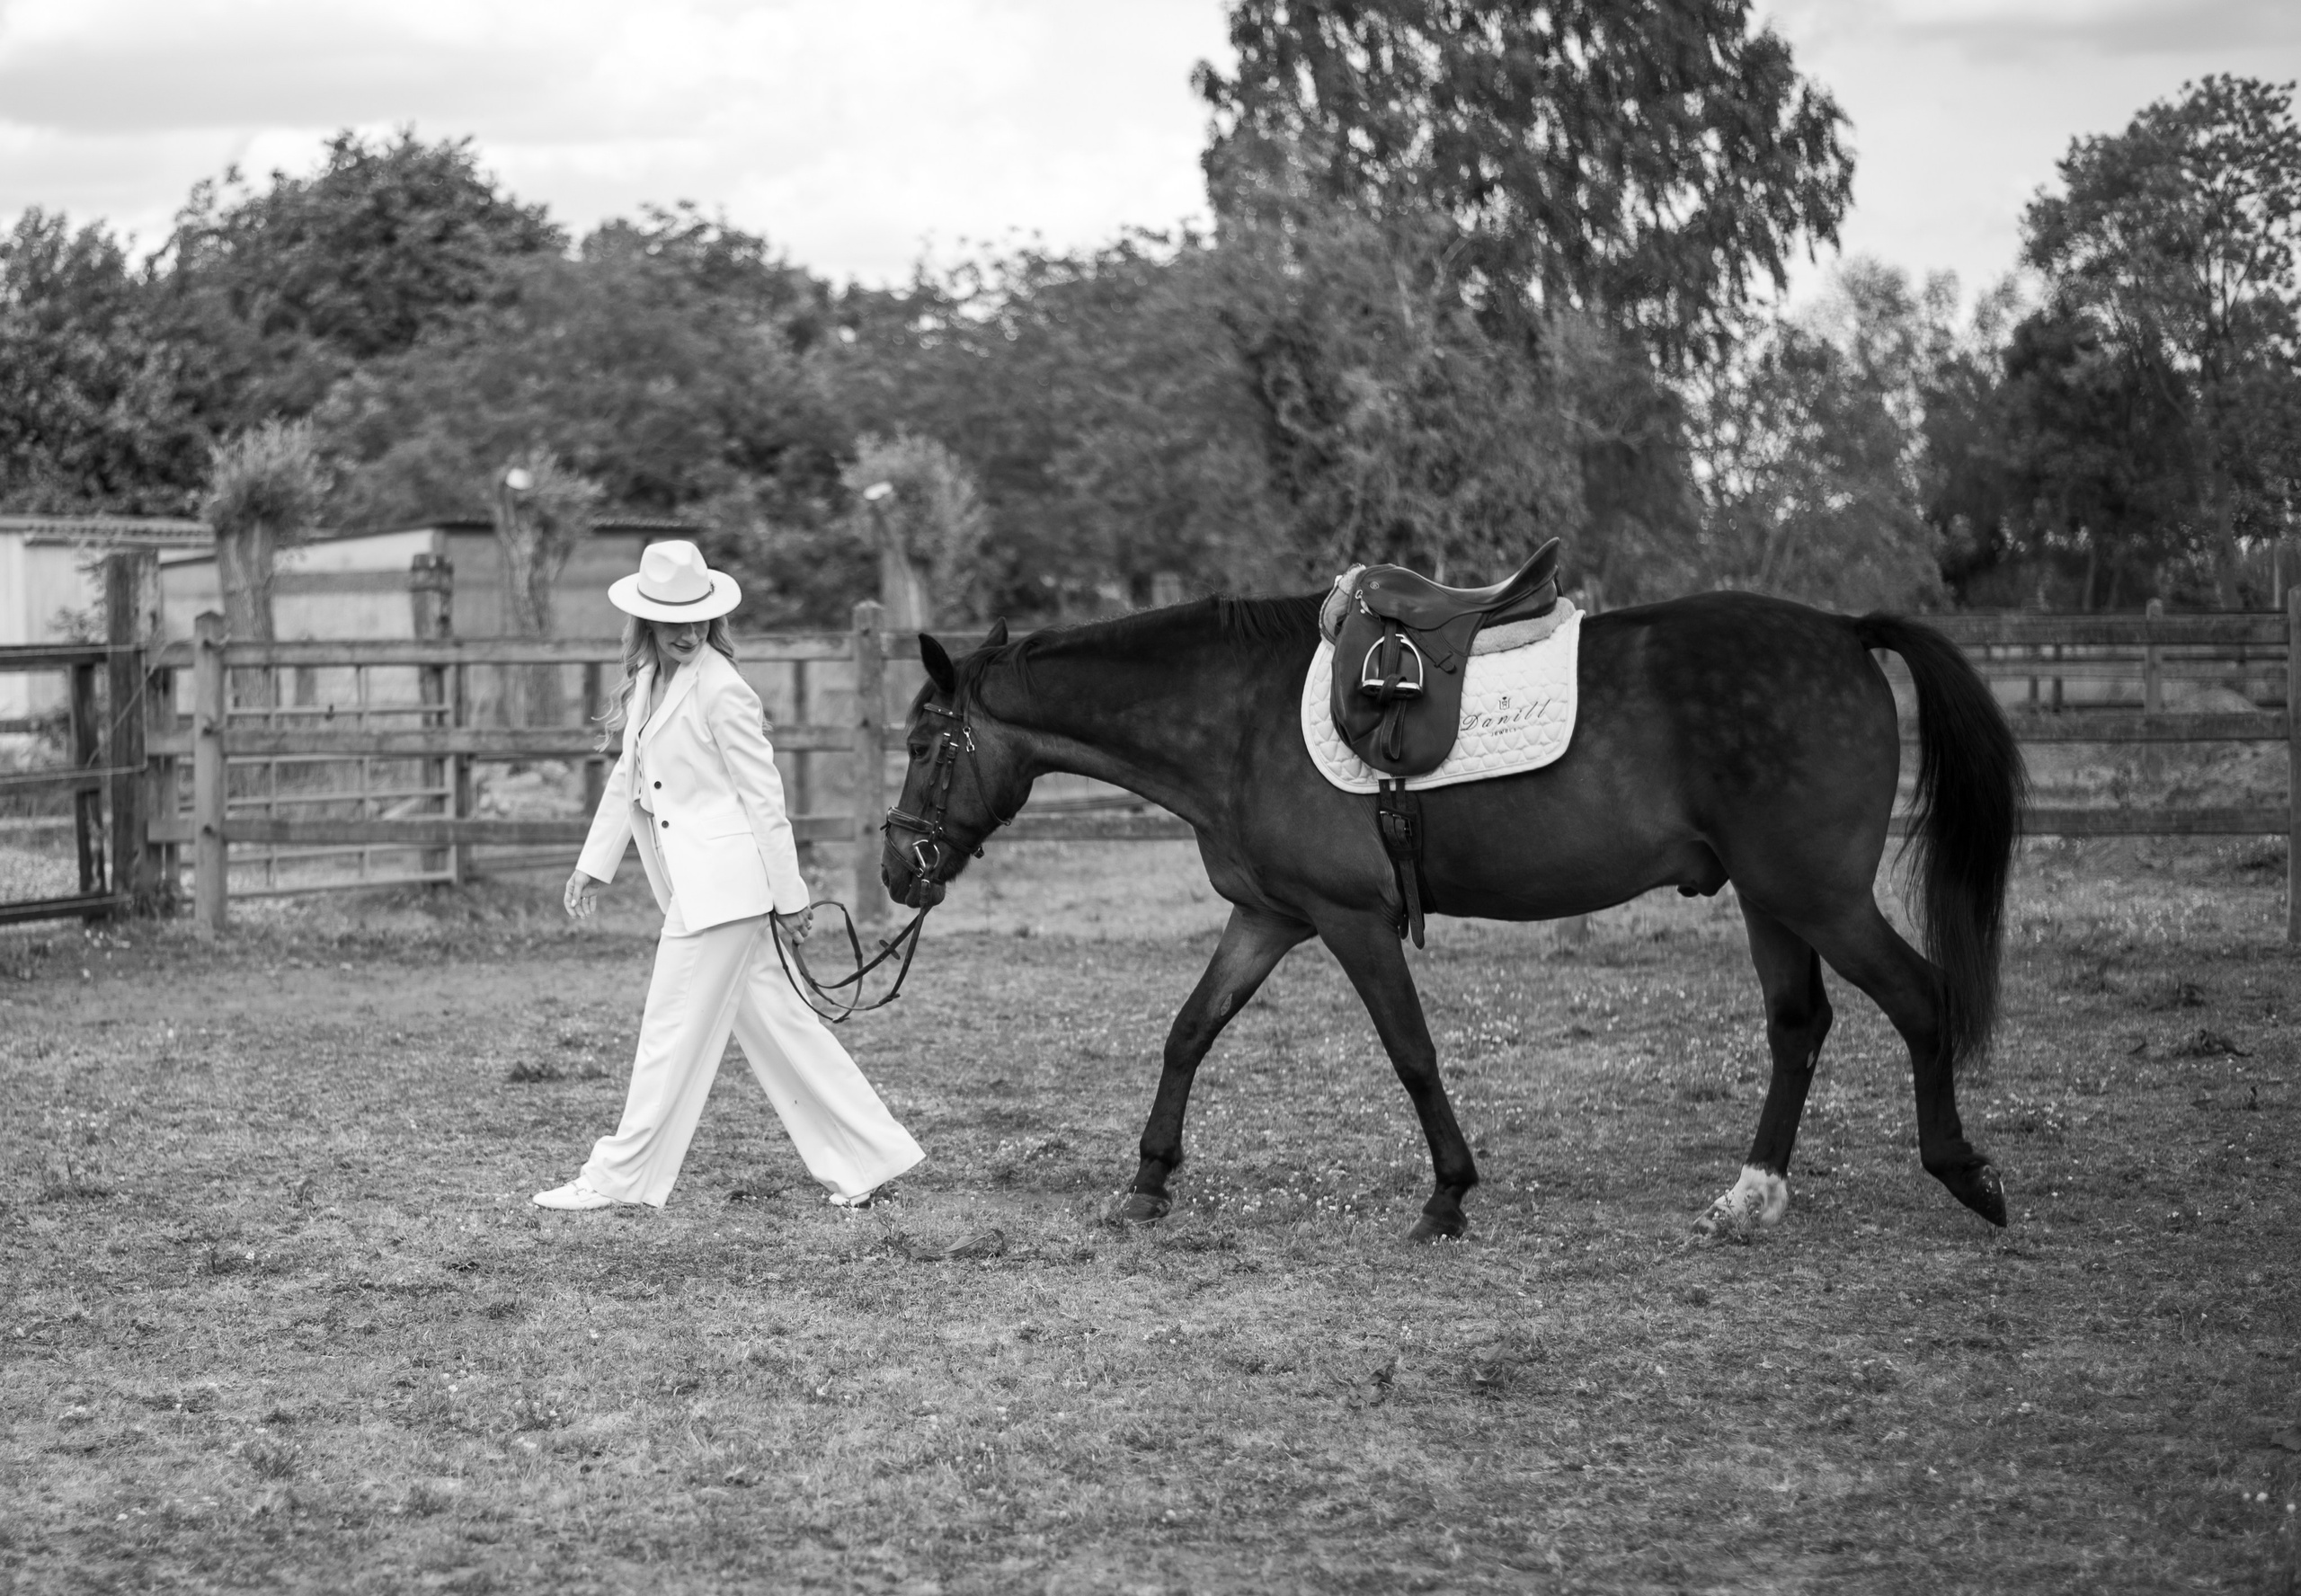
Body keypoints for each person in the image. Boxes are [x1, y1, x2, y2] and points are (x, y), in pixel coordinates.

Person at [533, 540, 924, 1212]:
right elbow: (629, 779)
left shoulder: (723, 689)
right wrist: (592, 866)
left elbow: (764, 802)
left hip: (727, 894)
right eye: (671, 618)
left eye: (697, 617)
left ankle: (618, 1177)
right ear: (646, 621)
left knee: (668, 1033)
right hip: (705, 888)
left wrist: (789, 898)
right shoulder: (650, 681)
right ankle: (869, 1158)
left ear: (712, 619)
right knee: (783, 1028)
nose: (686, 632)